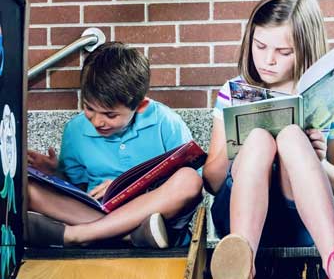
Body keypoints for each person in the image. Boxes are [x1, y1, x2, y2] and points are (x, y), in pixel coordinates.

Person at [202, 0, 334, 279]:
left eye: (283, 52)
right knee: (258, 140)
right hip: (236, 219)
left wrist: (319, 162)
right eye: (260, 46)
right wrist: (238, 150)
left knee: (293, 137)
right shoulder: (232, 93)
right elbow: (211, 181)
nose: (268, 60)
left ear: (305, 48)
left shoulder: (326, 97)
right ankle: (240, 262)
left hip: (301, 219)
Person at [27, 42, 203, 249]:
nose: (97, 122)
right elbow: (76, 190)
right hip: (97, 214)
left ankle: (77, 235)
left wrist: (130, 190)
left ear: (140, 106)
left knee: (190, 180)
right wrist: (55, 173)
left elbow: (192, 184)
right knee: (28, 188)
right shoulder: (74, 131)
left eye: (110, 115)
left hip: (154, 216)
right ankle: (128, 236)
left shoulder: (166, 122)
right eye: (89, 108)